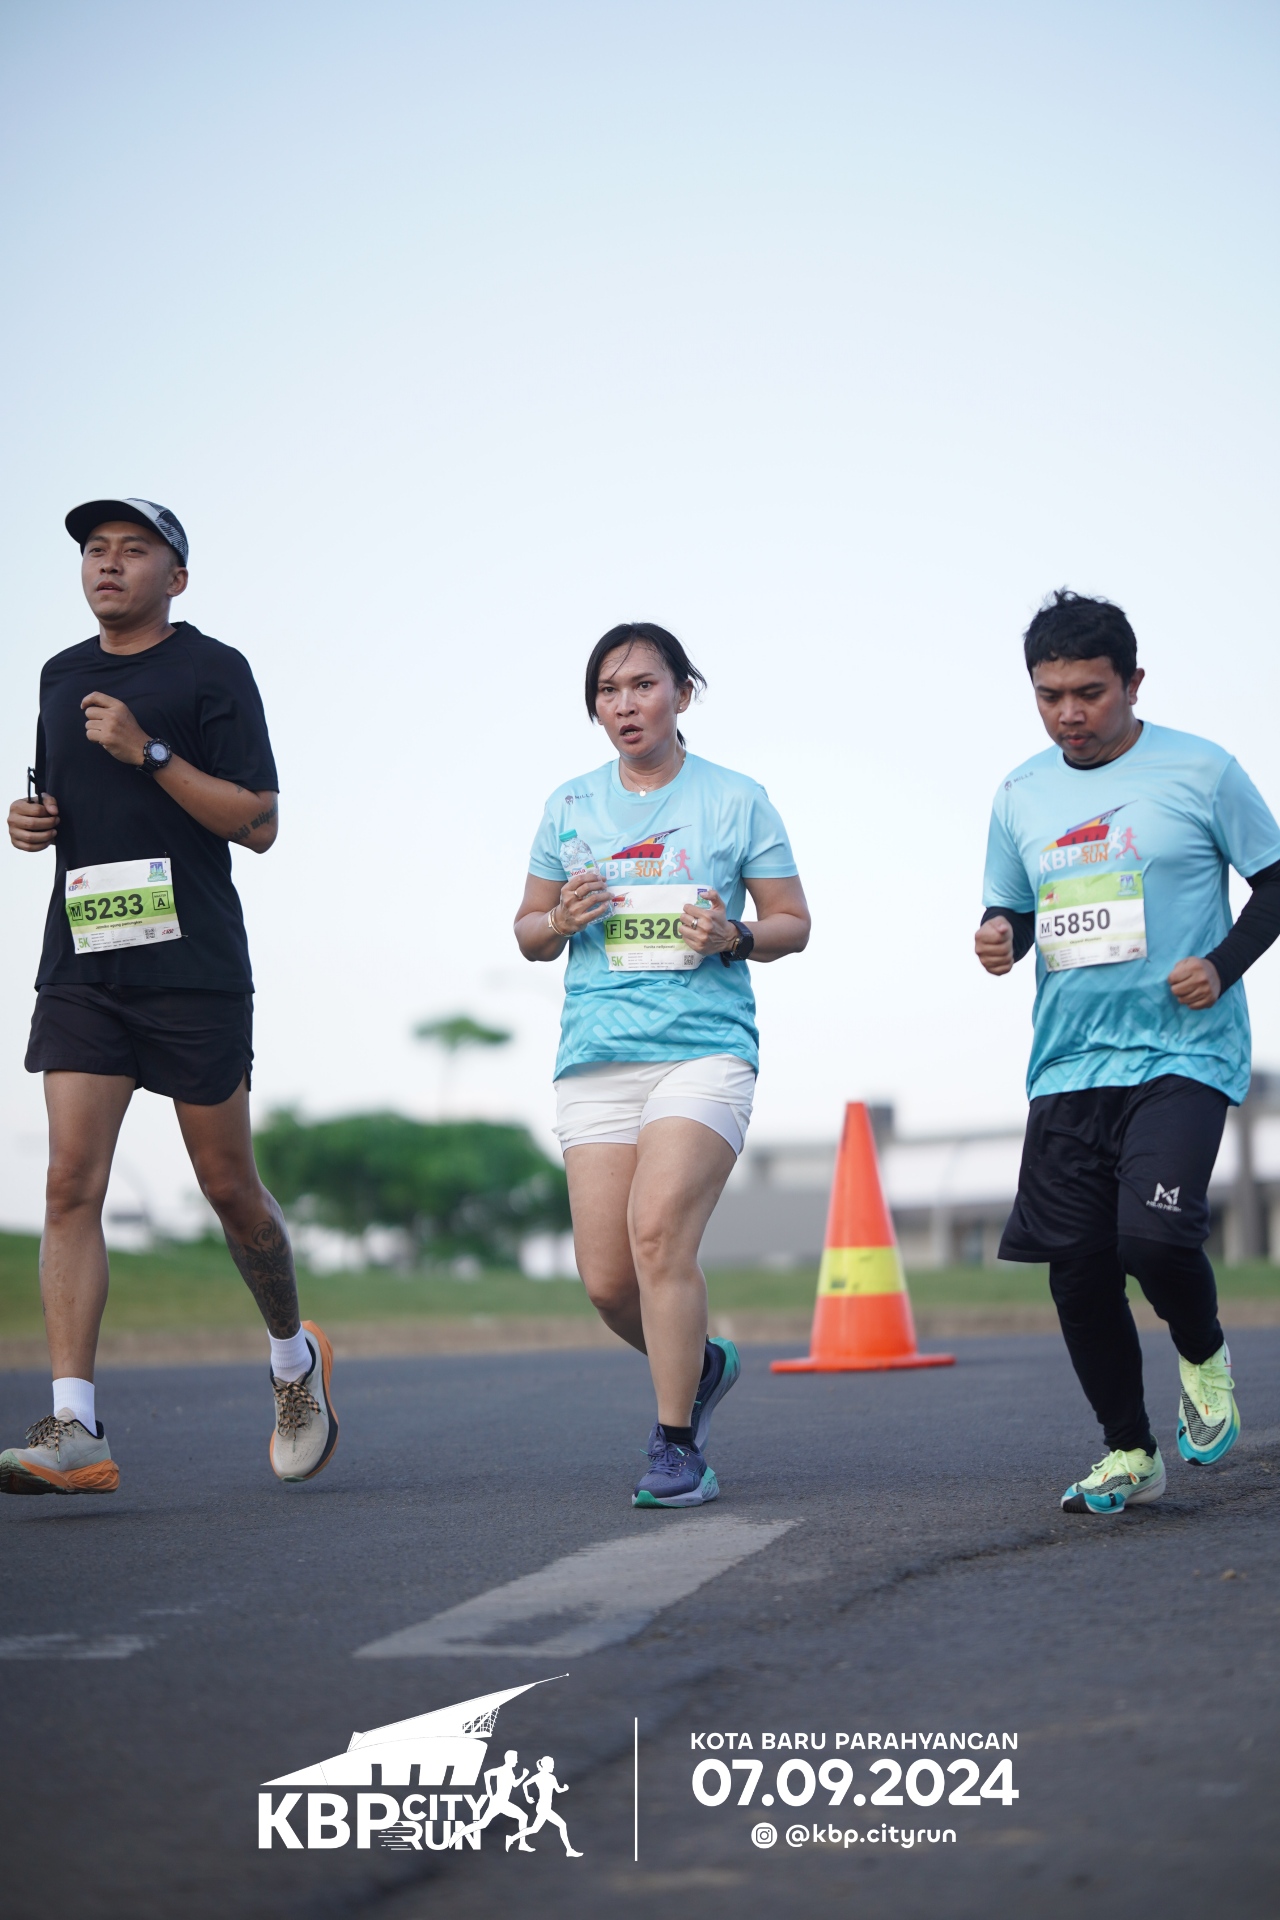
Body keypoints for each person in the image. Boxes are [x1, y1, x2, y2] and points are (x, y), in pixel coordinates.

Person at [0, 498, 336, 1498]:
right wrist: (33, 822)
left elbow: (259, 823)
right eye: (94, 550)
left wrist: (147, 751)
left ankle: (293, 1361)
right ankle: (75, 1427)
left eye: (133, 550)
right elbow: (71, 810)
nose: (107, 564)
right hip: (84, 965)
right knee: (69, 1182)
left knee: (229, 1187)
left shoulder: (213, 670)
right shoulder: (60, 676)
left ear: (175, 578)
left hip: (192, 969)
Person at [977, 589, 1280, 1514]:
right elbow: (1015, 906)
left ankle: (1203, 1353)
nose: (1068, 713)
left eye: (1090, 693)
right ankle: (1129, 1452)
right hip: (1069, 1063)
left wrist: (1222, 965)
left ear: (1133, 682)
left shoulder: (1201, 769)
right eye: (1049, 695)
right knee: (1079, 1272)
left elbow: (1274, 881)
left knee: (1152, 1235)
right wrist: (1000, 934)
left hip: (1183, 1051)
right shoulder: (1021, 793)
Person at [514, 622, 810, 1507]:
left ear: (683, 693)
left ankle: (678, 1446)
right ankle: (703, 1365)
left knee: (657, 1237)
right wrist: (559, 921)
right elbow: (528, 934)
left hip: (702, 1052)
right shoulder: (569, 806)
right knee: (610, 1284)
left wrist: (736, 935)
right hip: (596, 1059)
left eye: (643, 684)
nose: (626, 703)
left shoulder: (736, 798)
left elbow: (793, 921)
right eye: (608, 691)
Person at [522, 1755, 582, 1856]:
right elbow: (525, 1784)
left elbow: (558, 1790)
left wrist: (565, 1789)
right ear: (546, 1765)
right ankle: (569, 1850)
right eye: (552, 1765)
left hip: (545, 1807)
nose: (553, 1767)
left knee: (534, 1829)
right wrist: (527, 1797)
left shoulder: (552, 1777)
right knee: (562, 1825)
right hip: (543, 1807)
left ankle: (511, 1838)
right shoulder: (538, 1776)